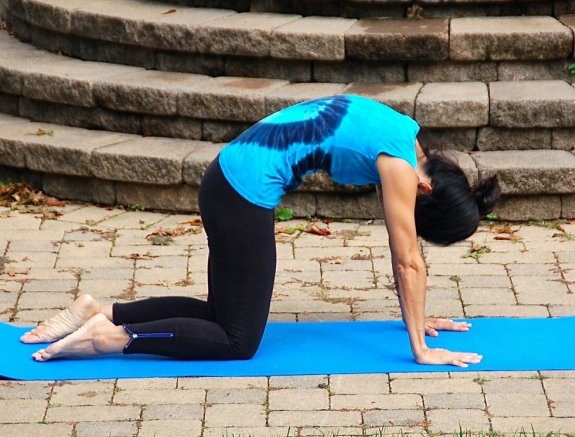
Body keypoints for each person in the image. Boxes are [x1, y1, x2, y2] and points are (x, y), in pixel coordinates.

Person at [20, 94, 500, 367]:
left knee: (220, 314)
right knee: (237, 340)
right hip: (239, 193)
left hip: (229, 180)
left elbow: (404, 252)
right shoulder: (399, 167)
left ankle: (98, 309)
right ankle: (113, 336)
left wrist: (416, 317)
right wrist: (421, 349)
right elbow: (408, 259)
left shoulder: (404, 136)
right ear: (426, 191)